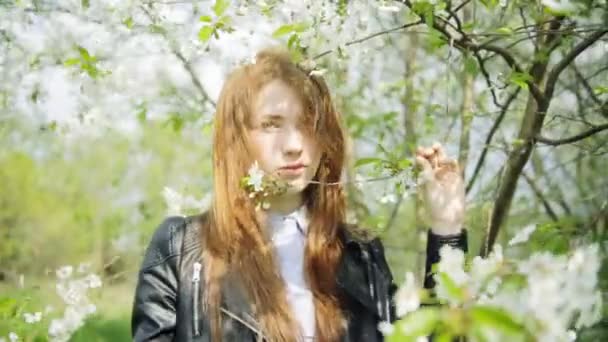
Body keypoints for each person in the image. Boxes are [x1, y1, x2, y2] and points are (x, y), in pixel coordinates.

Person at [131, 47, 467, 342]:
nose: (294, 145)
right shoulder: (183, 249)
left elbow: (433, 335)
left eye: (308, 124)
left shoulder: (358, 253)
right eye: (271, 124)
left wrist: (447, 229)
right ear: (237, 138)